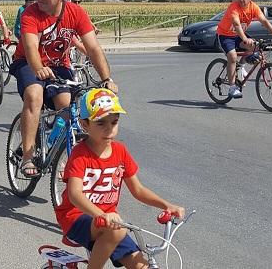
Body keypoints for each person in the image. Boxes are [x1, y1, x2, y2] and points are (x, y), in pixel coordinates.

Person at [55, 88, 185, 269]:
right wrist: (101, 214)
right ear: (85, 125)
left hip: (111, 223)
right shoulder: (80, 154)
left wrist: (167, 205)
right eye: (101, 123)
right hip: (77, 217)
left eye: (114, 122)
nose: (109, 129)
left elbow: (138, 190)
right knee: (117, 231)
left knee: (141, 265)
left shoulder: (120, 151)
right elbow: (75, 194)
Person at [9, 0, 117, 177]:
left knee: (67, 106)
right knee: (34, 95)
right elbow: (31, 47)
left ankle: (58, 153)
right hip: (28, 62)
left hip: (59, 64)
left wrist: (106, 79)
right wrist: (38, 67)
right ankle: (28, 156)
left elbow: (93, 47)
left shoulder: (76, 13)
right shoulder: (30, 13)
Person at [216, 0, 272, 98]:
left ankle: (241, 66)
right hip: (225, 35)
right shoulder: (234, 7)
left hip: (238, 35)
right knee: (232, 57)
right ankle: (232, 88)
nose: (241, 0)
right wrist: (245, 39)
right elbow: (237, 25)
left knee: (255, 47)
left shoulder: (253, 7)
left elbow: (264, 21)